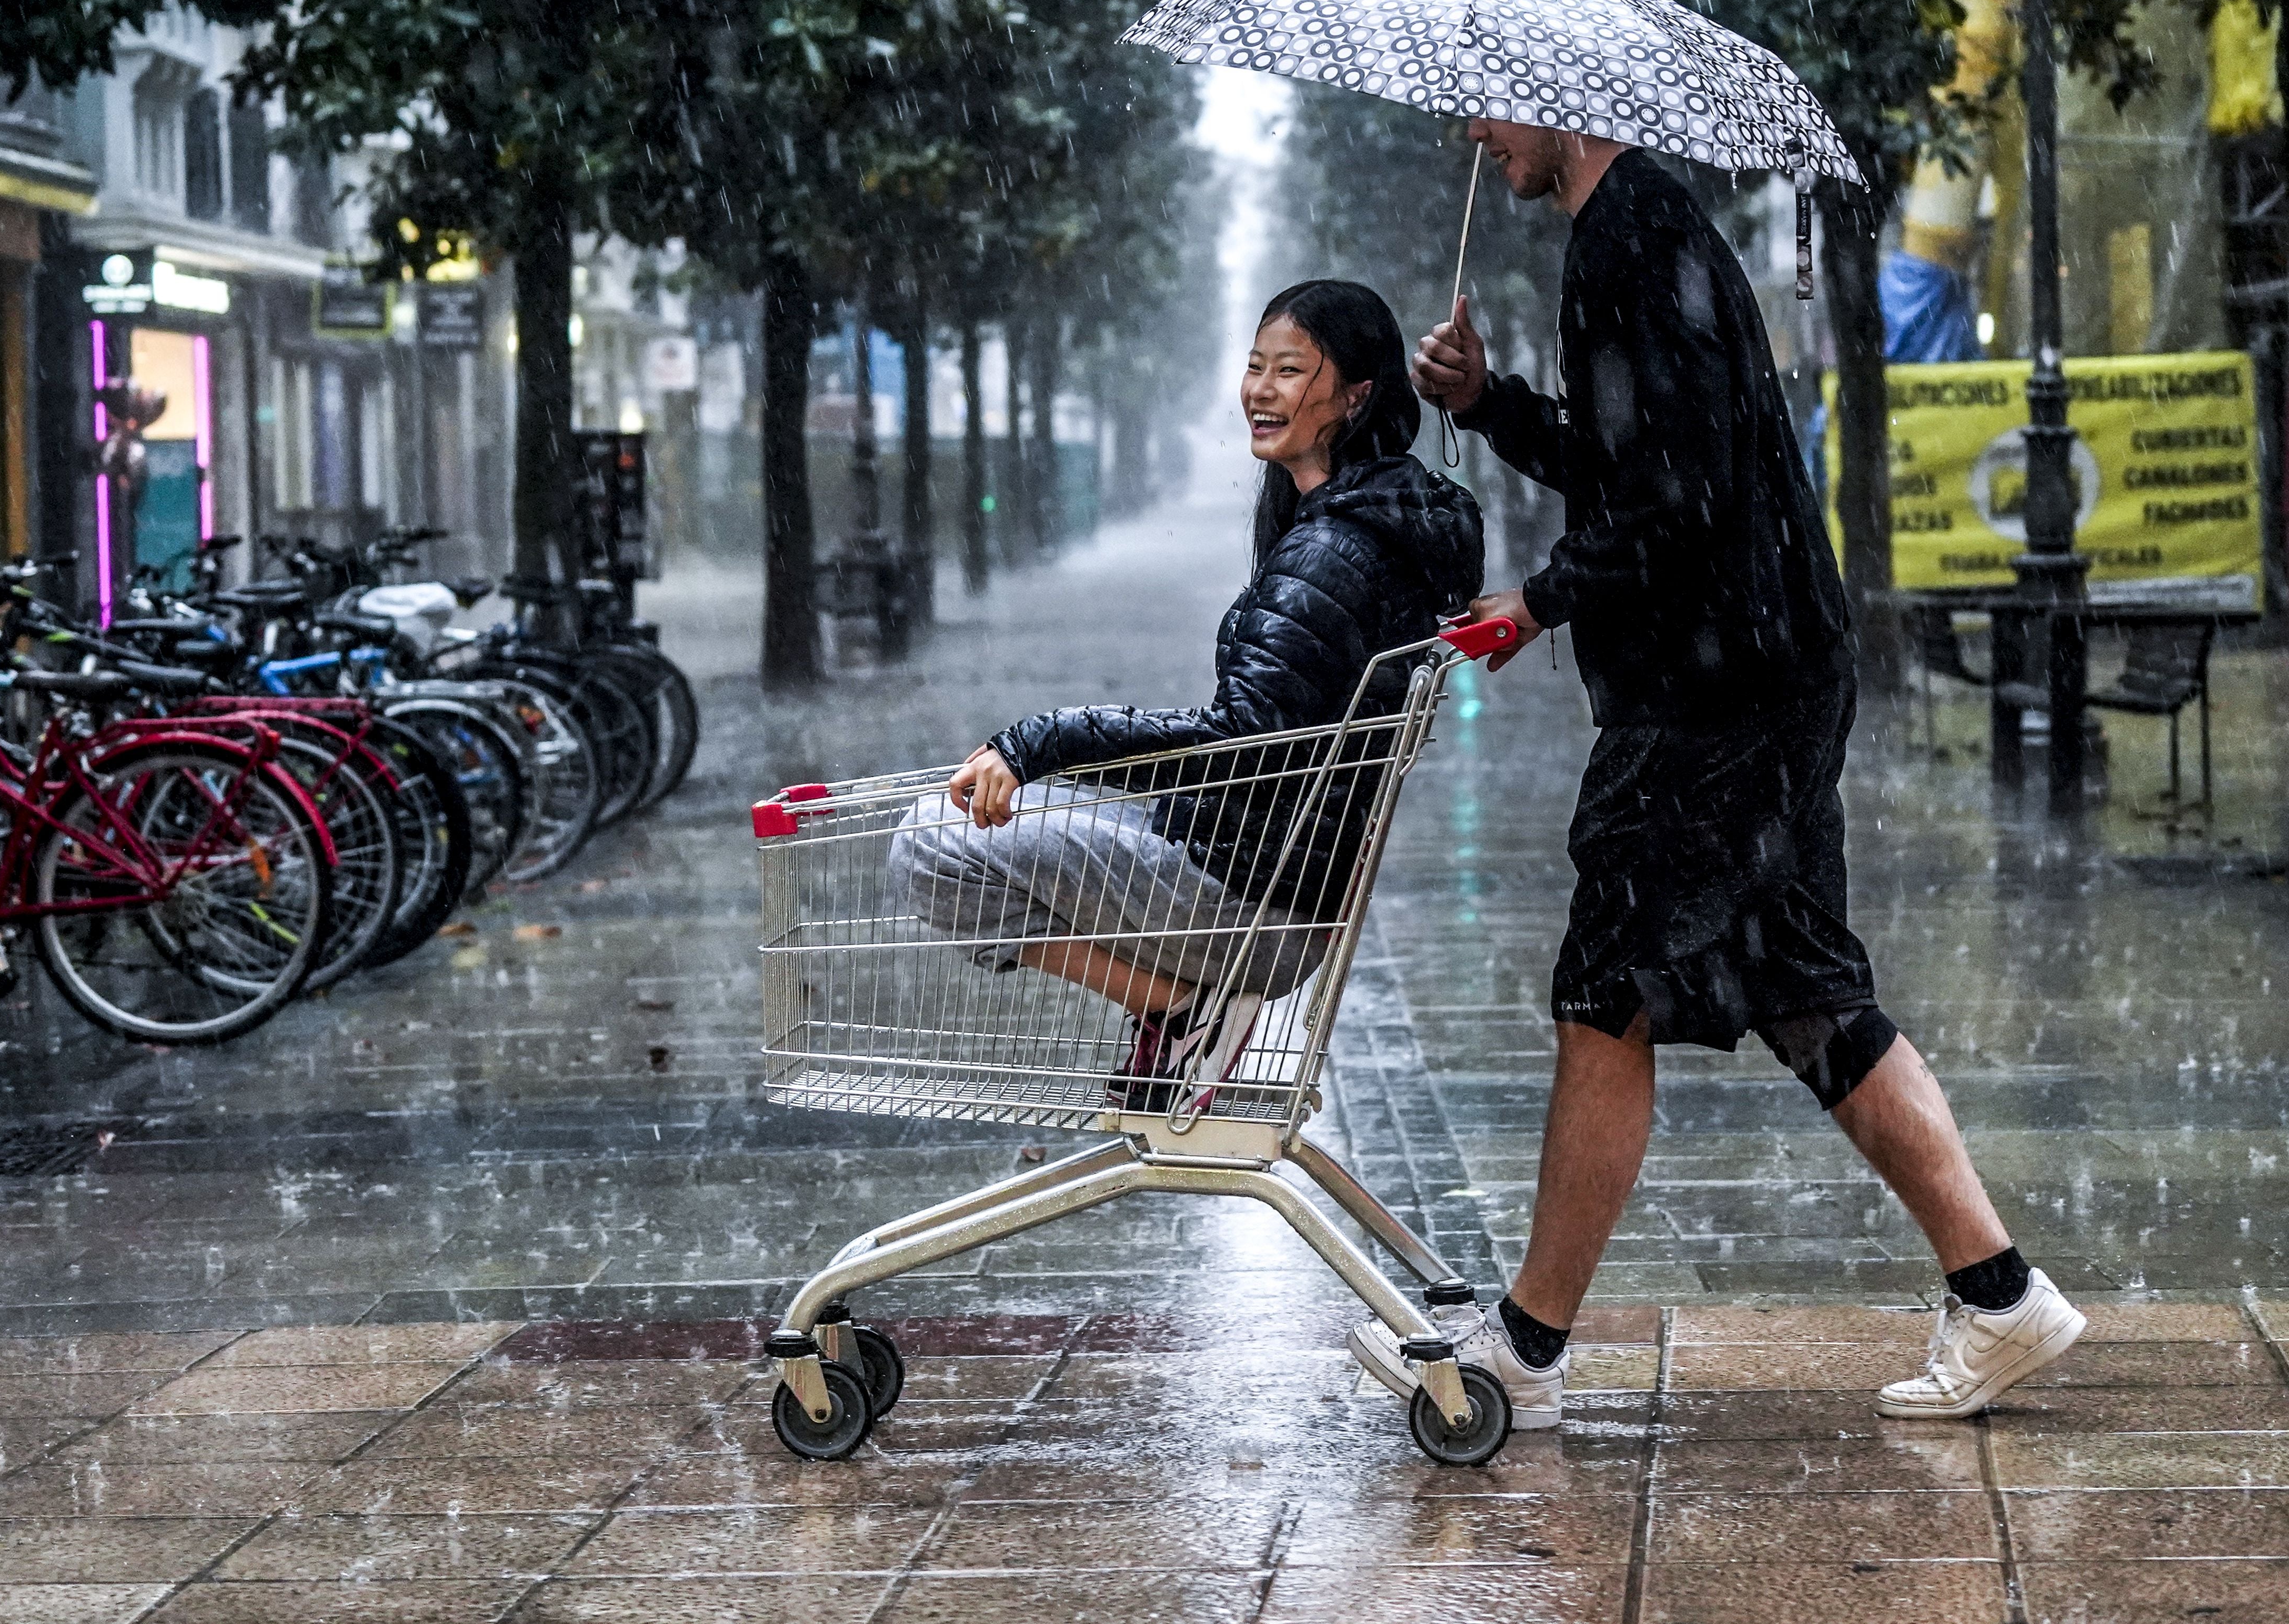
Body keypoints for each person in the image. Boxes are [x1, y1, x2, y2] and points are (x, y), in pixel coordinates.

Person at [1359, 121, 2084, 1430]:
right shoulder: (1632, 231)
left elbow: (1675, 498)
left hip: (1715, 693)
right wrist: (1490, 403)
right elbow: (1628, 463)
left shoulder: (1634, 238)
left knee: (1605, 990)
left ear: (1565, 102)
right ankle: (1999, 1294)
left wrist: (1539, 600)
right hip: (1757, 668)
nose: (1476, 130)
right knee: (1802, 990)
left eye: (1494, 108)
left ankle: (1525, 1344)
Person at [892, 279, 1483, 1112]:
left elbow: (1239, 743)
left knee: (931, 844)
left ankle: (1177, 1009)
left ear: (1355, 395)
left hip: (1248, 902)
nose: (1260, 390)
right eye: (1255, 366)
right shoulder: (1355, 528)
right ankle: (1178, 1012)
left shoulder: (1331, 552)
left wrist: (1044, 743)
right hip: (1267, 874)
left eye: (1289, 370)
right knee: (992, 813)